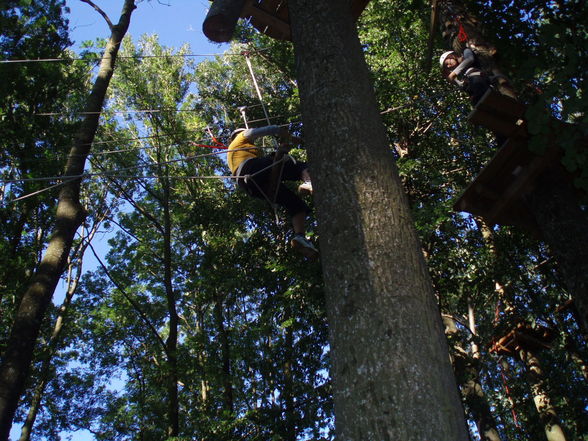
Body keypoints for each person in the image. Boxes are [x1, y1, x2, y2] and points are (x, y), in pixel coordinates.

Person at [228, 125, 318, 258]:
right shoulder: (240, 139)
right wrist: (289, 137)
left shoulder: (236, 154)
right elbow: (270, 129)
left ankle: (300, 237)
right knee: (300, 166)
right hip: (251, 168)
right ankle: (309, 182)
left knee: (295, 204)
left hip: (250, 185)